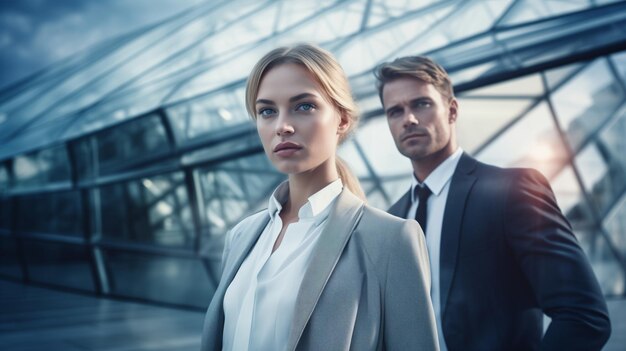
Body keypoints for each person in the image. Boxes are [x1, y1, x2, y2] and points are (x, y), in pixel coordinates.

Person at [201, 44, 439, 351]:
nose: (282, 127)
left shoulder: (390, 240)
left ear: (341, 119)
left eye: (303, 106)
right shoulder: (241, 237)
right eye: (267, 111)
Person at [374, 55, 611, 351]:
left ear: (452, 110)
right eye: (395, 111)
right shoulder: (392, 220)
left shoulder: (511, 191)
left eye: (421, 104)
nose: (408, 119)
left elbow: (583, 315)